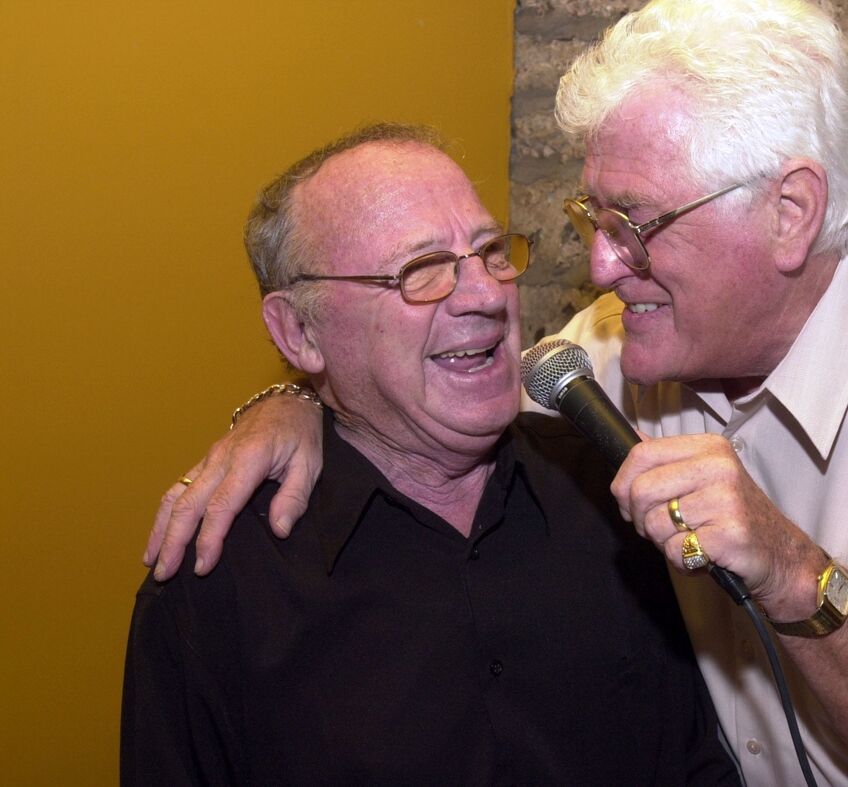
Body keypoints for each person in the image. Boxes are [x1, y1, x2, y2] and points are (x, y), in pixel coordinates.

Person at [144, 2, 848, 784]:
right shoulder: (618, 354)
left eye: (637, 221)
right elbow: (433, 383)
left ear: (789, 213)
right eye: (591, 216)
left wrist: (793, 572)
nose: (602, 265)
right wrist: (293, 400)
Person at [121, 123, 738, 785]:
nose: (484, 296)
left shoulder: (608, 482)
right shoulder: (218, 581)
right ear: (299, 330)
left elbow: (693, 760)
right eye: (420, 271)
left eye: (490, 252)